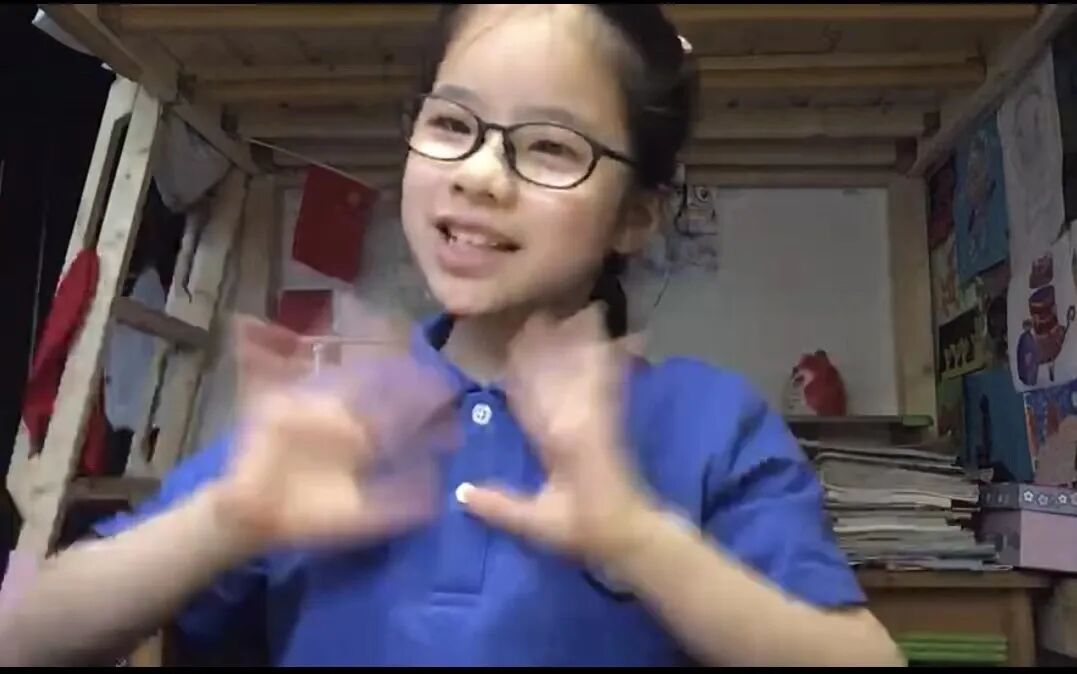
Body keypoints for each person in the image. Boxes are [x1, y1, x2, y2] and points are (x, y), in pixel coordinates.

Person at [0, 4, 905, 667]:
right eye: (451, 124)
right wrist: (230, 516)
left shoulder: (711, 424)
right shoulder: (331, 412)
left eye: (550, 147)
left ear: (635, 214)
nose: (479, 174)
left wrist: (639, 543)